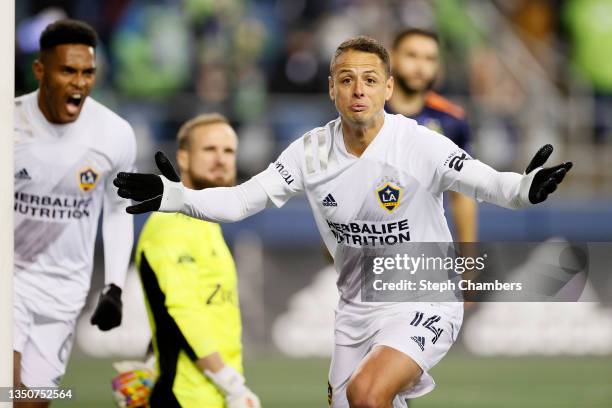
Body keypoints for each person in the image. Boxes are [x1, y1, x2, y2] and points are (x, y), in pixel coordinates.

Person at [114, 36, 572, 407]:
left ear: (388, 89)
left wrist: (523, 188)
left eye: (370, 80)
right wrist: (174, 196)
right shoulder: (310, 151)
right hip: (355, 305)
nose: (358, 90)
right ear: (331, 89)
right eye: (347, 80)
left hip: (425, 295)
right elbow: (239, 202)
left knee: (367, 393)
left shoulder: (419, 144)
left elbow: (488, 183)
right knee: (357, 401)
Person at [13, 19, 135, 407]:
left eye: (88, 72)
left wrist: (114, 287)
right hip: (11, 279)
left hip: (64, 291)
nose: (79, 83)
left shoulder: (114, 134)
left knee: (34, 401)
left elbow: (119, 211)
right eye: (68, 70)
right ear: (40, 71)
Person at [126, 114, 260, 408]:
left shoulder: (207, 224)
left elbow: (174, 306)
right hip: (186, 396)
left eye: (229, 151)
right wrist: (232, 385)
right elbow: (181, 311)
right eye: (210, 149)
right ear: (183, 158)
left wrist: (150, 361)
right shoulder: (170, 223)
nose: (221, 159)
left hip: (211, 395)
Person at [388, 28, 477, 243]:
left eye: (430, 59)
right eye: (412, 55)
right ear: (391, 57)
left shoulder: (452, 120)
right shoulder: (365, 112)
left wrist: (469, 264)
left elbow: (462, 195)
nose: (420, 67)